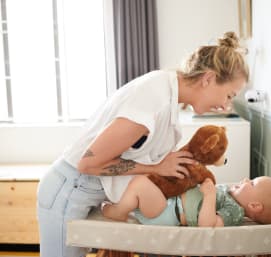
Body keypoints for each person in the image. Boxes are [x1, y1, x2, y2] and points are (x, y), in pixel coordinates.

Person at [37, 31, 249, 257]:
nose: (226, 106)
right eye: (229, 95)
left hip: (84, 189)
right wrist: (155, 167)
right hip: (69, 189)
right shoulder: (154, 100)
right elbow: (88, 164)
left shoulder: (167, 92)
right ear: (208, 79)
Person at [102, 176, 271, 226]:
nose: (246, 180)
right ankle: (118, 200)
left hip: (167, 212)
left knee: (140, 183)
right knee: (144, 180)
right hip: (167, 201)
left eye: (253, 183)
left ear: (254, 206)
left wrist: (209, 196)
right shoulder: (228, 194)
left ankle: (119, 212)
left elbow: (207, 225)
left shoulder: (235, 212)